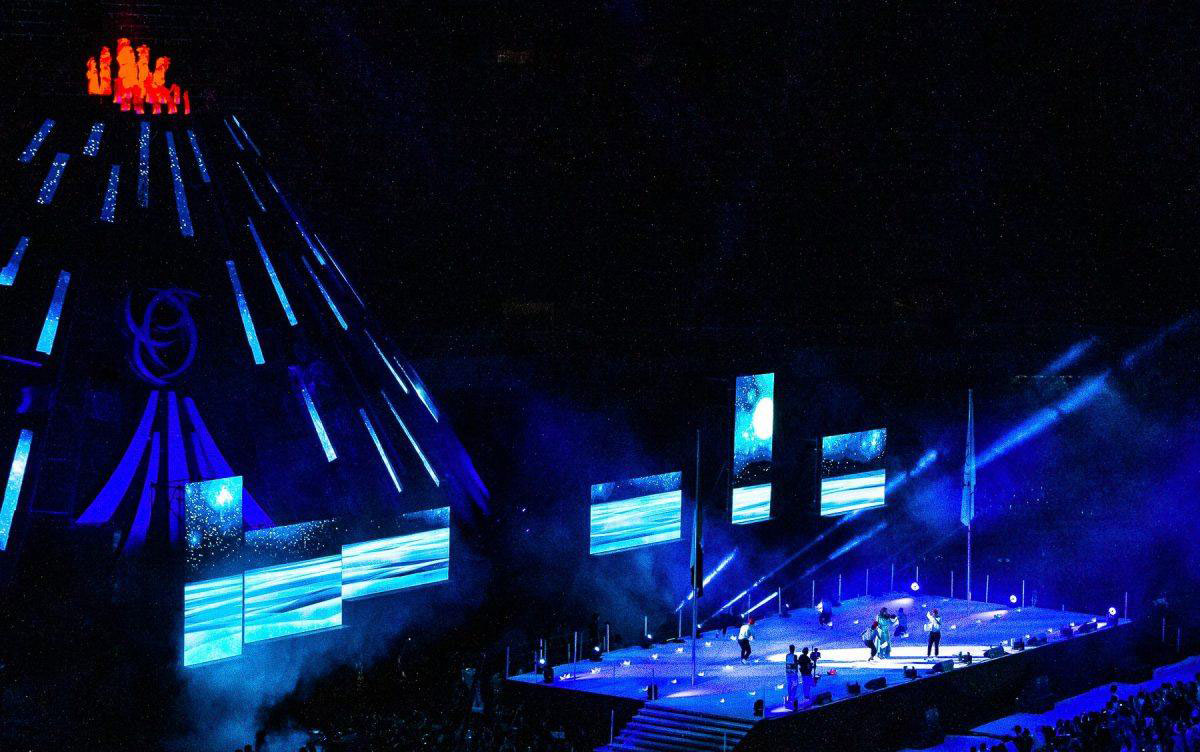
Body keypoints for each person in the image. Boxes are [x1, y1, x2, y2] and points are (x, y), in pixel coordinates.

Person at [785, 645, 799, 709]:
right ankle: (792, 699)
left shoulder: (787, 655)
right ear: (794, 649)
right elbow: (795, 664)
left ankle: (789, 699)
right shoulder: (795, 656)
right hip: (793, 673)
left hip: (788, 673)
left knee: (789, 686)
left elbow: (787, 664)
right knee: (795, 685)